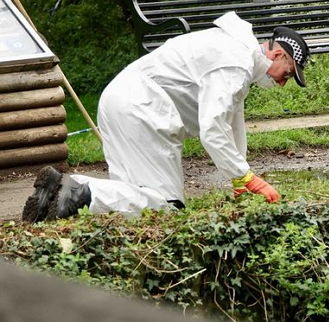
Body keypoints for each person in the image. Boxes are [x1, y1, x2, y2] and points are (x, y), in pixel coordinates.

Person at [22, 13, 310, 223]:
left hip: (122, 100)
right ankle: (75, 192)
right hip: (143, 109)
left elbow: (231, 122)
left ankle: (55, 192)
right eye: (288, 73)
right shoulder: (236, 63)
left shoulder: (237, 58)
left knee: (134, 197)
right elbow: (213, 129)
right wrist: (246, 177)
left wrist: (240, 179)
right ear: (277, 54)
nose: (284, 82)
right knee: (165, 206)